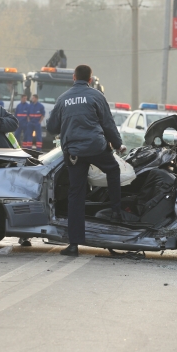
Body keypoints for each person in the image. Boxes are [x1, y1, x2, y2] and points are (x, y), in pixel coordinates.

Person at [47, 65, 126, 257]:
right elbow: (107, 123)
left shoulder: (63, 99)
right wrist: (117, 144)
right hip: (96, 148)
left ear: (74, 78)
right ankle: (116, 210)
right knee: (113, 170)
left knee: (76, 194)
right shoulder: (96, 96)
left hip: (74, 153)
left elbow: (51, 127)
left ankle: (73, 245)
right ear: (90, 80)